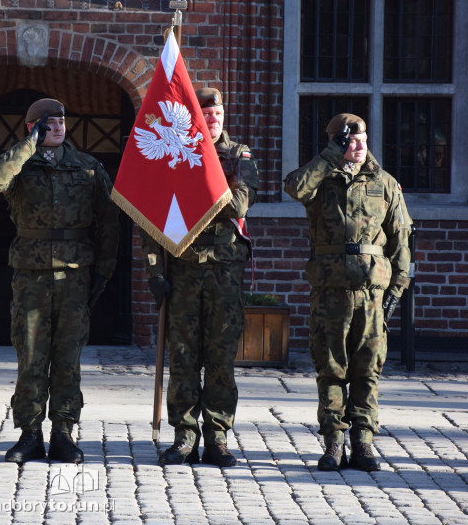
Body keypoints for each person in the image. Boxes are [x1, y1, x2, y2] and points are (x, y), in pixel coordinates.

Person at [0, 97, 119, 465]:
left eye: (60, 121)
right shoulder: (20, 166)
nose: (58, 127)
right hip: (31, 277)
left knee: (68, 357)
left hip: (75, 276)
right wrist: (29, 145)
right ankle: (29, 434)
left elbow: (108, 222)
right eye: (48, 123)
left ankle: (63, 432)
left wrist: (104, 271)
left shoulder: (88, 168)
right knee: (31, 356)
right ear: (33, 127)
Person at [284, 113, 412, 473]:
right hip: (330, 293)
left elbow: (401, 240)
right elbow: (293, 187)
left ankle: (364, 443)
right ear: (334, 142)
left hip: (372, 293)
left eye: (362, 138)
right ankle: (334, 442)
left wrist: (396, 291)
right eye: (349, 140)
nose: (358, 145)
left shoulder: (384, 183)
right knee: (331, 368)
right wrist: (328, 157)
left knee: (367, 369)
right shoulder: (320, 180)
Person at [141, 87, 259, 468]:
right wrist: (155, 272)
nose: (213, 119)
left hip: (225, 270)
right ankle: (185, 435)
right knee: (184, 357)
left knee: (221, 359)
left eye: (218, 113)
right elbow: (153, 215)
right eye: (206, 113)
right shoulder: (175, 154)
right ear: (194, 117)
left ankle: (218, 437)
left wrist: (198, 183)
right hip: (185, 267)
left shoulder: (239, 155)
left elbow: (240, 203)